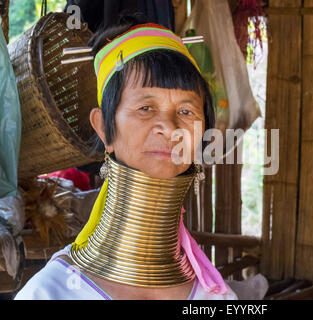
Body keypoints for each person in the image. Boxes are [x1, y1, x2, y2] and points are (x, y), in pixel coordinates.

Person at [14, 15, 238, 300]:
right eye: (145, 107)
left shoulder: (216, 296)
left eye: (186, 111)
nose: (169, 127)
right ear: (105, 128)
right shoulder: (49, 293)